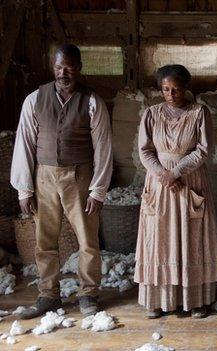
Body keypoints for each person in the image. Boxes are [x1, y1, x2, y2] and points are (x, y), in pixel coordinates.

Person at [10, 44, 113, 318]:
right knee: (44, 240)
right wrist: (24, 188)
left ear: (78, 68)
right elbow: (24, 143)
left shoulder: (92, 101)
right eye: (58, 67)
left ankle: (89, 294)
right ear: (52, 68)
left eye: (68, 67)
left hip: (79, 175)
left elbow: (103, 147)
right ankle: (48, 295)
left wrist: (98, 190)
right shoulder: (35, 99)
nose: (63, 73)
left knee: (88, 239)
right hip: (43, 176)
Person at [134, 64, 217, 319]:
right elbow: (145, 150)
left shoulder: (199, 113)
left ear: (185, 89)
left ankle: (195, 300)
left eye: (175, 89)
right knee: (159, 239)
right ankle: (159, 300)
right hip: (159, 184)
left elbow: (203, 150)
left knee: (191, 238)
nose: (170, 94)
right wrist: (163, 174)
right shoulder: (151, 114)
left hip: (189, 181)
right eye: (165, 89)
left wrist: (176, 172)